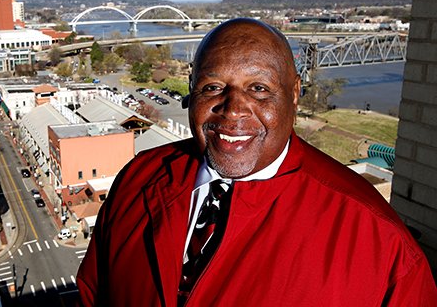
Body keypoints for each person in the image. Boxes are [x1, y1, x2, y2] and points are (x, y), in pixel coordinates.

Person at [76, 18, 437, 306]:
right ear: (192, 88)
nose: (233, 110)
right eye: (213, 87)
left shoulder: (382, 246)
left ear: (294, 93)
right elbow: (94, 292)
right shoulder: (140, 178)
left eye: (259, 89)